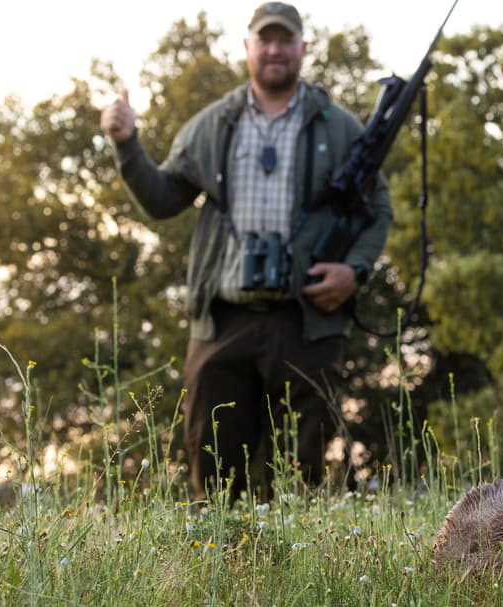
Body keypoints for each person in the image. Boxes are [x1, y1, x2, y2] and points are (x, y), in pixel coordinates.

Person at [100, 2, 392, 504]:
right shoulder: (211, 125)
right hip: (222, 323)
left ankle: (305, 580)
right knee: (212, 479)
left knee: (306, 478)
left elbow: (378, 209)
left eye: (285, 40)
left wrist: (355, 271)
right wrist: (127, 144)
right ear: (247, 48)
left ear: (303, 48)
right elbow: (163, 199)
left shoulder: (339, 127)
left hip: (308, 320)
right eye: (265, 39)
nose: (275, 49)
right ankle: (215, 577)